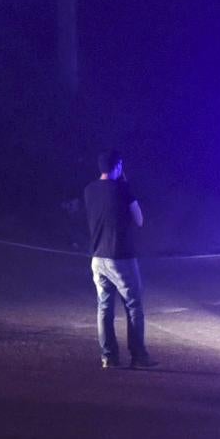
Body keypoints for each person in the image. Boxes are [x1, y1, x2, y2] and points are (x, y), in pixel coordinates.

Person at [85, 150, 151, 371]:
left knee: (104, 307)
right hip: (120, 256)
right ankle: (138, 355)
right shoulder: (123, 189)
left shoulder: (89, 190)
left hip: (97, 256)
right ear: (118, 166)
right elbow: (139, 220)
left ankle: (109, 357)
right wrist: (125, 185)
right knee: (133, 305)